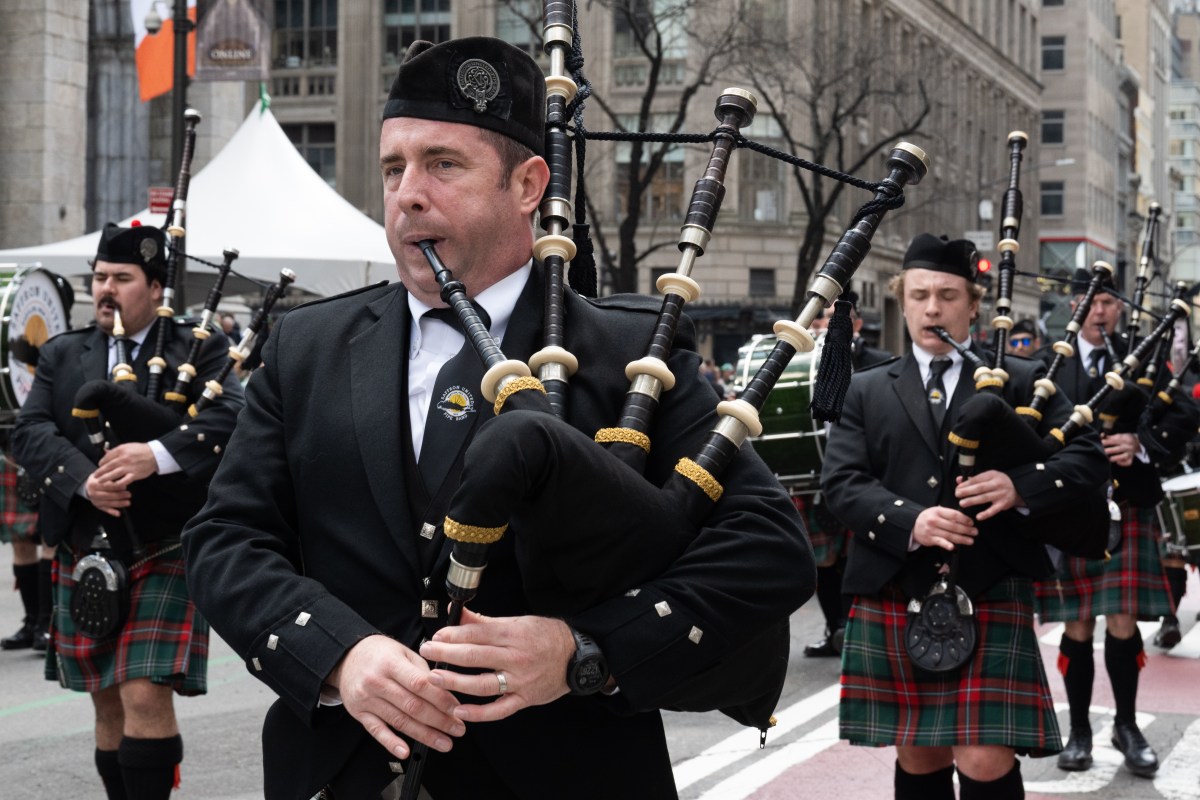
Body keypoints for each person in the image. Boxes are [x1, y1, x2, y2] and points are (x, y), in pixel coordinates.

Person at [181, 36, 812, 800]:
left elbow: (768, 548)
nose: (407, 193)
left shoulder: (628, 354)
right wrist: (337, 656)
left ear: (527, 185)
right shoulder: (308, 346)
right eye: (393, 168)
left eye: (443, 164)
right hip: (342, 773)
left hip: (569, 776)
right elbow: (225, 539)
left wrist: (586, 649)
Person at [821, 234, 1108, 800]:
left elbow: (1087, 456)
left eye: (948, 295)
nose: (933, 308)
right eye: (921, 295)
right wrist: (912, 521)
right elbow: (842, 485)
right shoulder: (865, 389)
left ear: (974, 305)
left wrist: (1017, 485)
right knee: (920, 750)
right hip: (897, 584)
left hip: (990, 581)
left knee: (983, 755)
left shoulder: (1023, 380)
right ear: (902, 302)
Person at [11, 222, 245, 800]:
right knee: (108, 702)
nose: (106, 289)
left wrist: (155, 455)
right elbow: (30, 430)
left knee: (143, 690)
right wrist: (84, 481)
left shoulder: (199, 347)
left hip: (164, 542)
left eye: (122, 278)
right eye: (99, 278)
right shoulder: (66, 352)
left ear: (157, 287)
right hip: (86, 541)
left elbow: (232, 421)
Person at [1032, 270, 1196, 779]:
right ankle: (1079, 730)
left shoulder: (1144, 356)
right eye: (1089, 301)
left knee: (1123, 621)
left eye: (1106, 301)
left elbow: (1186, 408)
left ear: (1120, 306)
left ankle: (1126, 725)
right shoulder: (1049, 363)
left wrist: (1141, 445)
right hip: (1071, 509)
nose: (1099, 311)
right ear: (1074, 305)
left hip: (1126, 504)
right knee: (1078, 624)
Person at [804, 290, 893, 658]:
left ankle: (857, 629)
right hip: (813, 477)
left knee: (855, 555)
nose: (822, 324)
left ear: (854, 323)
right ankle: (834, 628)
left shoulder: (880, 364)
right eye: (818, 318)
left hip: (864, 476)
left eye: (830, 317)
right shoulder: (796, 362)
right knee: (823, 561)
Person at [0, 445, 50, 652]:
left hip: (48, 449)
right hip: (8, 449)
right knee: (21, 542)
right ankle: (32, 622)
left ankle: (48, 624)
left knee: (52, 539)